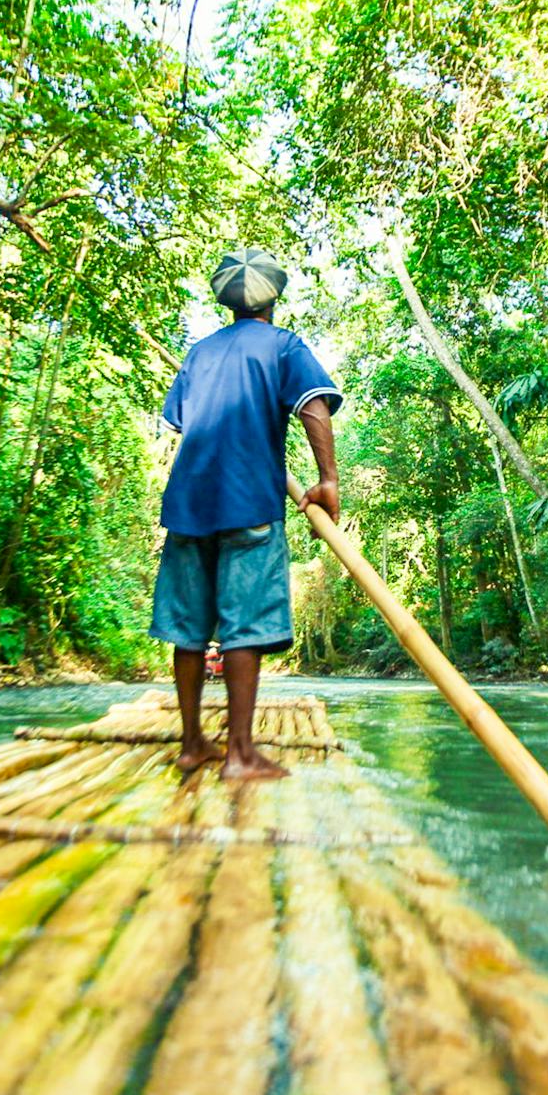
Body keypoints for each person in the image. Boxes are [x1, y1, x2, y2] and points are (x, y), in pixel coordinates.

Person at [150, 248, 342, 780]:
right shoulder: (283, 346)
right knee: (244, 629)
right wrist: (326, 480)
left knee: (189, 631)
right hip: (249, 504)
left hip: (188, 506)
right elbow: (313, 405)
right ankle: (240, 754)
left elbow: (187, 423)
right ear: (274, 300)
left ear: (226, 302)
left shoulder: (200, 353)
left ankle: (193, 746)